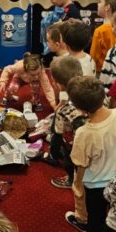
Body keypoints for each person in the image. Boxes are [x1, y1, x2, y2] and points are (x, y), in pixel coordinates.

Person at [66, 79, 116, 232]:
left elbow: (80, 164)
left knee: (95, 220)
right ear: (104, 95)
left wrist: (77, 188)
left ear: (79, 108)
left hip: (97, 186)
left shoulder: (84, 133)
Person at [45, 56, 85, 193]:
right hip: (93, 139)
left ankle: (71, 180)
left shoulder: (63, 109)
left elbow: (57, 135)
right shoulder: (91, 94)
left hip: (73, 144)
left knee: (70, 160)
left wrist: (54, 153)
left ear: (58, 85)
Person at [90, 0, 116, 74]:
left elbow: (93, 58)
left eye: (100, 2)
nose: (98, 4)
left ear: (107, 7)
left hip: (103, 72)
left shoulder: (100, 31)